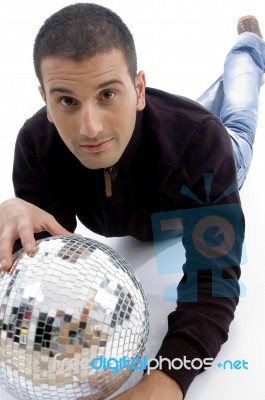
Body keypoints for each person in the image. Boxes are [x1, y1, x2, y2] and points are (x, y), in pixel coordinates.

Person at [0, 3, 263, 399]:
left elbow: (213, 281)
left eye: (108, 94)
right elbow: (47, 258)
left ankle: (249, 44)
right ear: (45, 101)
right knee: (191, 114)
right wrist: (15, 219)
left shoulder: (200, 147)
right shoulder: (37, 144)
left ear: (138, 89)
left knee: (237, 108)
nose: (90, 128)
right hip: (170, 132)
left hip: (224, 154)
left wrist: (167, 381)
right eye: (67, 101)